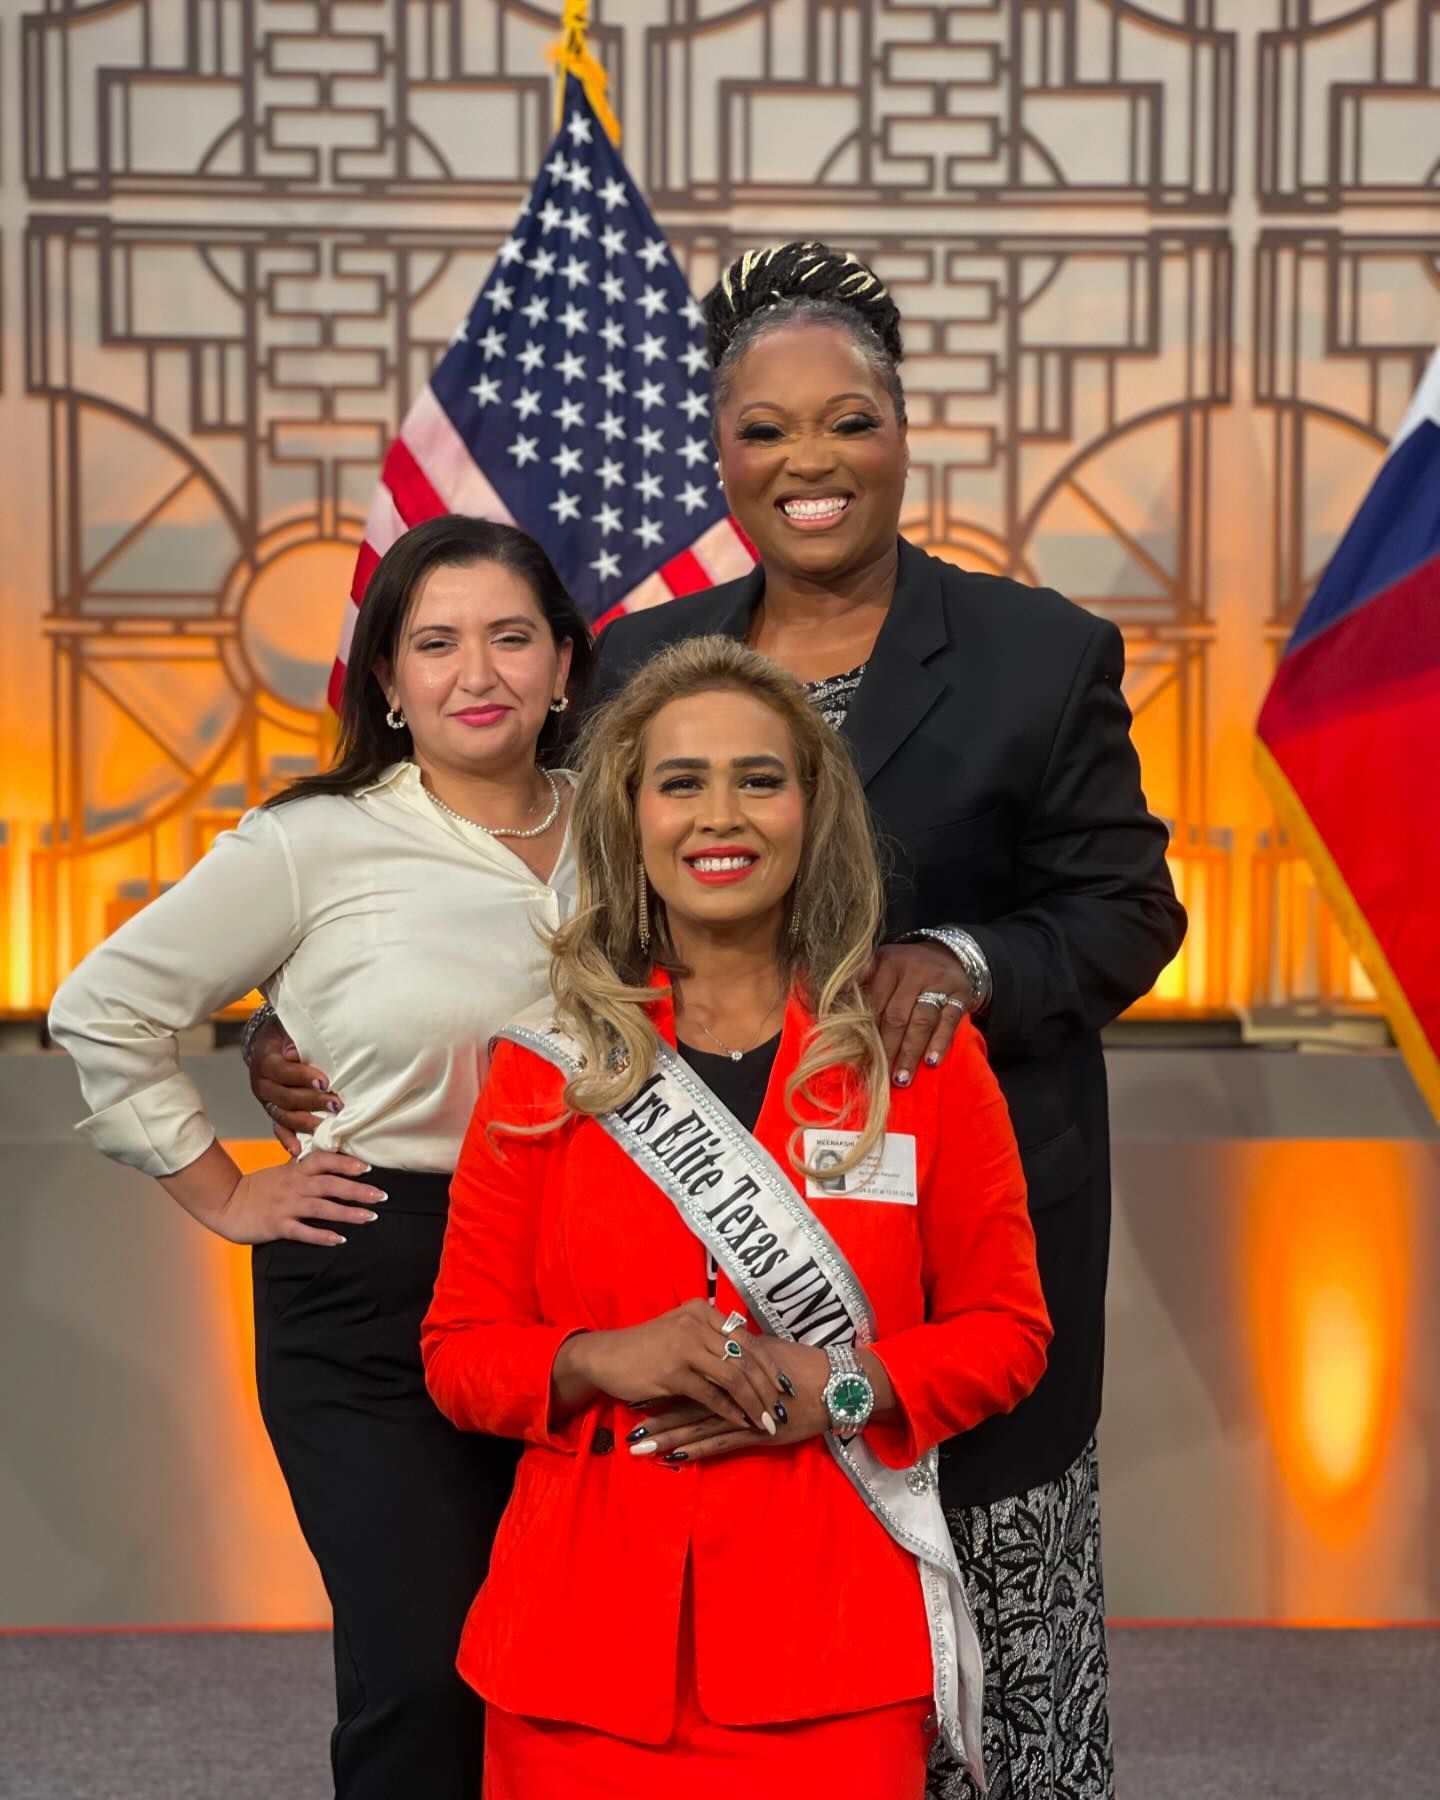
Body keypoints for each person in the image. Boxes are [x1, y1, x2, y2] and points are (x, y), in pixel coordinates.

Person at [590, 241, 1189, 1800]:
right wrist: (297, 1020)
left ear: (905, 434)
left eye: (848, 420)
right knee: (758, 1678)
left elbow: (1129, 914)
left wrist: (967, 961)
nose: (810, 461)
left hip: (964, 1258)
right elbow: (558, 914)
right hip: (709, 1236)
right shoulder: (641, 666)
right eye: (765, 429)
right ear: (717, 456)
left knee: (1003, 1687)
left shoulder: (1038, 654)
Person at [421, 636, 1053, 1799]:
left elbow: (1007, 1333)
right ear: (631, 818)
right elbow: (460, 1354)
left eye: (759, 779)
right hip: (574, 1665)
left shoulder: (920, 1065)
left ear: (812, 812)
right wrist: (602, 1358)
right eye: (682, 781)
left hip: (830, 1661)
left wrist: (839, 1390)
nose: (723, 815)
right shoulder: (545, 1068)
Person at [47, 516, 594, 1800]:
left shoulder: (640, 829)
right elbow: (103, 1007)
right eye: (436, 643)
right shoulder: (317, 840)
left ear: (565, 667)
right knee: (420, 1671)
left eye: (512, 638)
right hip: (376, 1283)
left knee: (570, 1669)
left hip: (594, 1278)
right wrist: (225, 1188)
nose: (478, 673)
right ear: (388, 684)